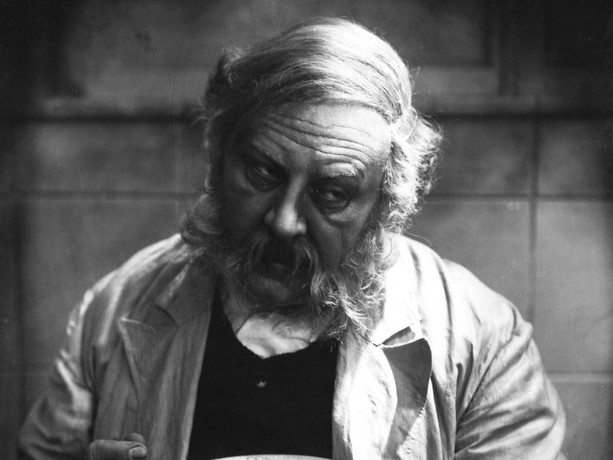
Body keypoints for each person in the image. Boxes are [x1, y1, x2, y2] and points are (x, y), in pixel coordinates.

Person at [18, 17, 565, 460]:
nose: (283, 221)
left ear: (383, 207)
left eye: (331, 194)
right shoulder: (114, 308)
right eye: (262, 172)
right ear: (218, 158)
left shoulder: (484, 340)